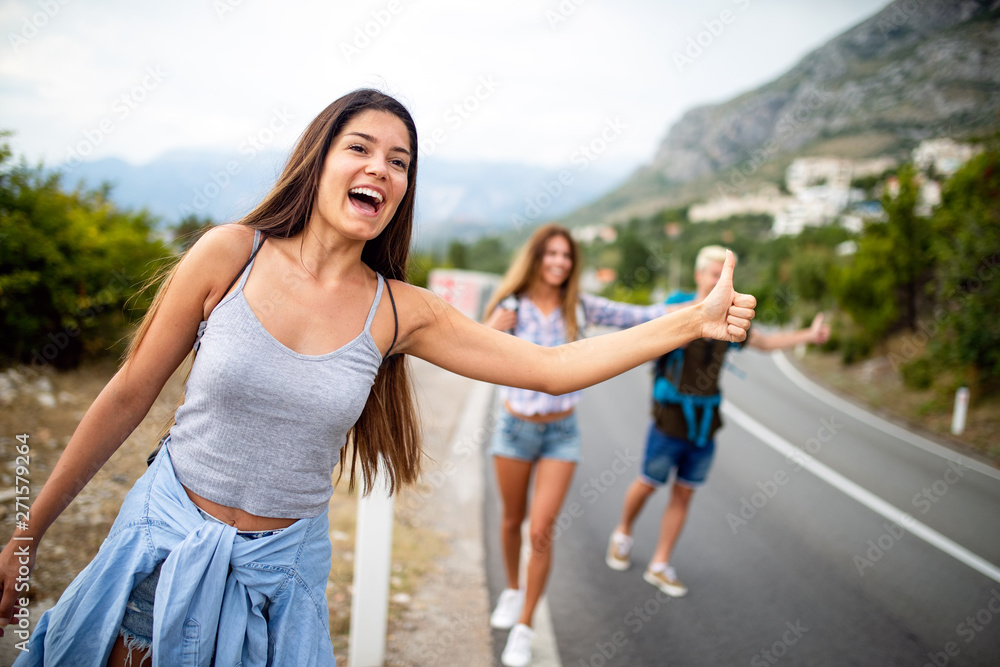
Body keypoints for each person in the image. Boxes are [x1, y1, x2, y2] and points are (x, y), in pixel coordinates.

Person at [0, 90, 755, 667]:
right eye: (361, 148)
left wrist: (690, 321)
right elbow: (129, 392)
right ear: (319, 158)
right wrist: (26, 538)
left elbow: (552, 365)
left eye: (399, 161)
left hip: (277, 579)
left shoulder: (400, 311)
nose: (381, 169)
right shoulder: (229, 254)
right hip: (161, 548)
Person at [481, 223, 678, 667]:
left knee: (540, 531)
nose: (558, 262)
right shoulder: (510, 307)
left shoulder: (581, 309)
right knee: (512, 521)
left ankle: (525, 627)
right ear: (535, 257)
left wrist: (695, 310)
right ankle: (512, 590)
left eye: (565, 256)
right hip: (515, 429)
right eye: (550, 254)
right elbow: (473, 351)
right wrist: (490, 328)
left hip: (561, 434)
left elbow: (642, 316)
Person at [606, 244, 829, 599]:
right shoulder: (676, 309)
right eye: (715, 273)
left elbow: (766, 343)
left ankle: (660, 564)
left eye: (727, 275)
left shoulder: (731, 319)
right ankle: (622, 533)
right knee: (648, 482)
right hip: (670, 418)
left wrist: (808, 336)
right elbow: (639, 326)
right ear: (699, 275)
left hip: (706, 421)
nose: (723, 281)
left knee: (684, 493)